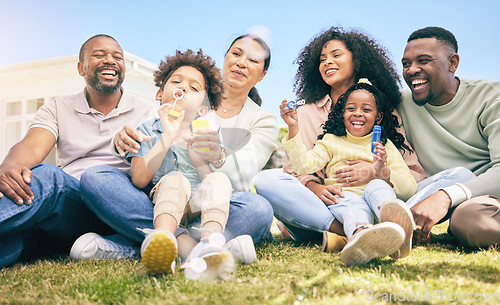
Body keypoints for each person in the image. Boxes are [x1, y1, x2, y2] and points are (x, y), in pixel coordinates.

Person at [71, 34, 279, 266]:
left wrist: (211, 158)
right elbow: (146, 138)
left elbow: (239, 175)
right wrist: (121, 141)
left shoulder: (262, 120)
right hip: (159, 200)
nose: (241, 62)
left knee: (258, 208)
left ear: (262, 74)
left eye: (252, 60)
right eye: (237, 54)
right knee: (96, 178)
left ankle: (138, 245)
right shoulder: (171, 109)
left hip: (213, 207)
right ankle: (203, 249)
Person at [254, 26, 425, 252]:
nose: (327, 62)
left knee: (451, 178)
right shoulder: (305, 114)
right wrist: (314, 186)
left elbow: (413, 175)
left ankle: (352, 230)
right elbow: (296, 171)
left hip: (382, 196)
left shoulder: (385, 114)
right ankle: (350, 230)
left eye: (336, 55)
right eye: (322, 59)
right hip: (335, 202)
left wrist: (377, 172)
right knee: (267, 181)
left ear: (358, 60)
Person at [0, 34, 154, 268]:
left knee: (50, 179)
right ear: (81, 68)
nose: (110, 60)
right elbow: (32, 145)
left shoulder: (148, 113)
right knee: (20, 239)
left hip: (118, 207)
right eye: (99, 55)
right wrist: (10, 166)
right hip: (70, 207)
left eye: (117, 57)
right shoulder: (58, 107)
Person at [123, 49, 235, 279]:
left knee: (221, 179)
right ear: (159, 94)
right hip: (161, 207)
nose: (183, 87)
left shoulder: (207, 135)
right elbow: (139, 179)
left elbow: (213, 189)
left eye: (194, 88)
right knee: (175, 179)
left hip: (198, 212)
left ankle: (209, 244)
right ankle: (162, 241)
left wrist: (200, 162)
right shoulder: (147, 129)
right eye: (176, 82)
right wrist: (166, 137)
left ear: (203, 108)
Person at [281, 79, 417, 266]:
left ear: (378, 117)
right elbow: (304, 166)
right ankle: (360, 236)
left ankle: (394, 225)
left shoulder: (384, 146)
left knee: (377, 185)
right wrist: (293, 127)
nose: (358, 114)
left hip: (377, 207)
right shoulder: (331, 140)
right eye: (351, 108)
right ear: (342, 113)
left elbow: (410, 188)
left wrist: (381, 172)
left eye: (366, 109)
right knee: (349, 202)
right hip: (345, 201)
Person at [399, 26, 500, 248]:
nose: (412, 70)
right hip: (445, 197)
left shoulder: (491, 97)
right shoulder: (401, 103)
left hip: (487, 197)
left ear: (452, 63)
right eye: (406, 64)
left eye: (424, 61)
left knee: (471, 222)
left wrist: (446, 196)